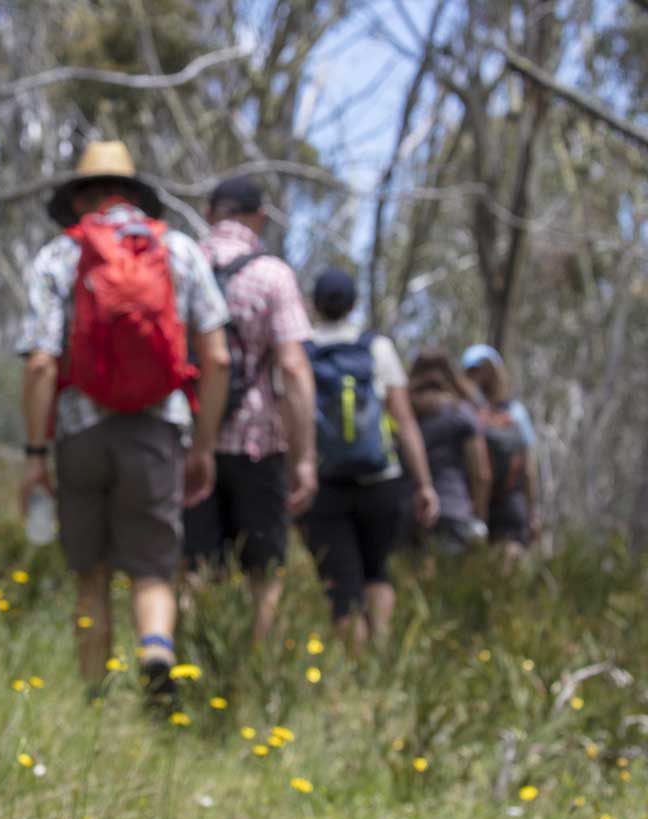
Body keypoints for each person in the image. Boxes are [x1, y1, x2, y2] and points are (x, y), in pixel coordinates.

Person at [18, 141, 230, 702]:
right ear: (134, 194)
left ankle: (93, 695)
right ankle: (156, 651)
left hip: (79, 430)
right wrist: (203, 446)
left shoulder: (58, 257)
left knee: (91, 574)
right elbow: (218, 358)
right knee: (153, 568)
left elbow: (41, 362)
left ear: (80, 199)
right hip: (158, 428)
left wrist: (35, 457)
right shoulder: (180, 250)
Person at [184, 175, 316, 643]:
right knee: (264, 572)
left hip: (188, 438)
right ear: (258, 216)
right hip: (257, 440)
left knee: (196, 564)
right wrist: (304, 457)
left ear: (210, 211)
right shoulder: (273, 274)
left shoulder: (182, 265)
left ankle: (195, 661)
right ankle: (254, 667)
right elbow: (294, 368)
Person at [299, 269, 437, 646]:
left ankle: (356, 673)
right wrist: (424, 484)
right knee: (377, 572)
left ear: (314, 305)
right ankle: (379, 657)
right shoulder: (376, 349)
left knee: (342, 584)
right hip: (382, 481)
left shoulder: (303, 352)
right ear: (354, 305)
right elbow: (404, 422)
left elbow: (292, 420)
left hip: (326, 485)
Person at [407, 350, 491, 553]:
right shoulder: (461, 412)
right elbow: (481, 473)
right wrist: (478, 516)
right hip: (453, 509)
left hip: (407, 512)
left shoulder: (404, 413)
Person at [461, 344, 541, 558]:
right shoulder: (516, 413)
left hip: (472, 505)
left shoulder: (465, 413)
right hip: (511, 503)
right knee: (509, 576)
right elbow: (529, 470)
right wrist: (532, 512)